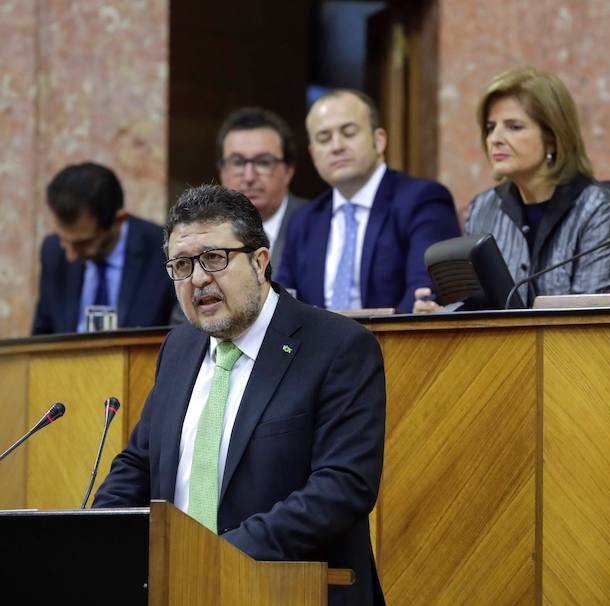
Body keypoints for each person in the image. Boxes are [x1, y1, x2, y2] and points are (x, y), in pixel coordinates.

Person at [93, 185, 386, 606]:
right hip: (179, 589)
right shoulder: (179, 347)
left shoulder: (338, 346)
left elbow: (342, 486)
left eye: (214, 258)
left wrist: (218, 557)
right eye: (181, 265)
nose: (197, 279)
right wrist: (103, 536)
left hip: (291, 591)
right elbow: (140, 463)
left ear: (260, 261)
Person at [413, 67, 610, 311]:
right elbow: (475, 309)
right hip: (500, 348)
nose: (495, 138)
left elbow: (592, 320)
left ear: (552, 136)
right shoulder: (484, 208)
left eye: (514, 127)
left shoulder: (597, 209)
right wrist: (443, 315)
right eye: (490, 127)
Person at [275, 89, 460, 313]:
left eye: (349, 133)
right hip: (319, 347)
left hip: (397, 345)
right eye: (324, 138)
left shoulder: (422, 201)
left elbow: (423, 294)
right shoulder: (304, 220)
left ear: (379, 140)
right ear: (314, 154)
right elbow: (283, 303)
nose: (336, 146)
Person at [32, 162, 176, 334]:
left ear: (119, 220)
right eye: (64, 240)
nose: (70, 255)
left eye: (83, 244)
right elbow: (42, 336)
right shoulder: (53, 251)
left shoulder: (163, 250)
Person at [217, 106, 307, 274]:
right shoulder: (206, 233)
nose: (249, 177)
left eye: (263, 162)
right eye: (237, 163)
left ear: (288, 170)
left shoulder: (317, 226)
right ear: (222, 171)